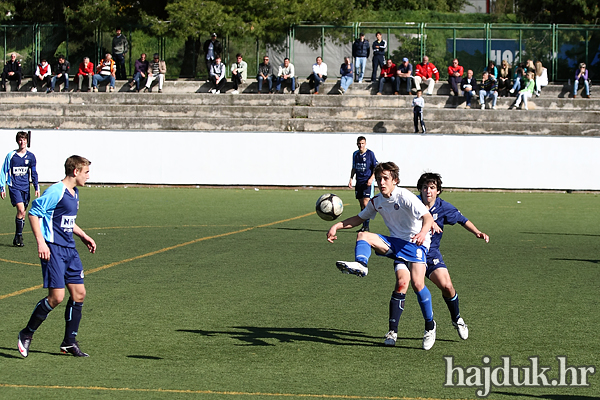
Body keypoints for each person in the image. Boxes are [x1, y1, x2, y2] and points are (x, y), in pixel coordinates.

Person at [328, 161, 437, 350]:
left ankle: (430, 326)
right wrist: (337, 226)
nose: (381, 182)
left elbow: (428, 217)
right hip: (395, 243)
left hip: (415, 243)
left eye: (385, 178)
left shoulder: (405, 197)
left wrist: (421, 233)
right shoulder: (377, 201)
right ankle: (362, 265)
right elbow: (360, 218)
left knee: (418, 284)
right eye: (379, 179)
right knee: (363, 235)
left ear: (395, 180)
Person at [17, 155, 96, 358]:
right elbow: (34, 213)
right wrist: (41, 242)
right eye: (86, 172)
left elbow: (66, 221)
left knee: (79, 294)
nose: (89, 176)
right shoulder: (56, 191)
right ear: (75, 171)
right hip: (54, 250)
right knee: (57, 297)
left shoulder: (74, 192)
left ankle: (69, 341)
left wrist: (83, 235)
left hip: (70, 250)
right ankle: (27, 333)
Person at [417, 172, 489, 341]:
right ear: (420, 189)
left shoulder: (443, 207)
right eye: (425, 187)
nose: (428, 191)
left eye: (432, 188)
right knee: (407, 286)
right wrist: (428, 221)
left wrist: (477, 232)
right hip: (411, 253)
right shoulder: (412, 203)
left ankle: (457, 318)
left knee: (447, 287)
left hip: (431, 254)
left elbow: (462, 219)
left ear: (438, 191)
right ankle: (422, 328)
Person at [0, 131, 40, 247]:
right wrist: (2, 187)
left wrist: (36, 186)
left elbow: (34, 172)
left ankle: (17, 235)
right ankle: (19, 236)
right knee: (21, 210)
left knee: (22, 214)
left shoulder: (31, 156)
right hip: (14, 186)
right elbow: (4, 171)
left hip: (25, 187)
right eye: (20, 140)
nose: (22, 142)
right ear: (17, 141)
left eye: (24, 140)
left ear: (27, 141)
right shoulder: (11, 155)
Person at [348, 136, 378, 232]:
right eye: (359, 143)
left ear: (365, 144)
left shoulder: (370, 154)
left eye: (362, 143)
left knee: (366, 204)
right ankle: (364, 226)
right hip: (359, 182)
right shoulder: (355, 154)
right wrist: (351, 179)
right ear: (357, 144)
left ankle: (367, 226)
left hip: (367, 182)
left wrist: (371, 178)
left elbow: (375, 167)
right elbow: (354, 167)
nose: (361, 145)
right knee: (362, 205)